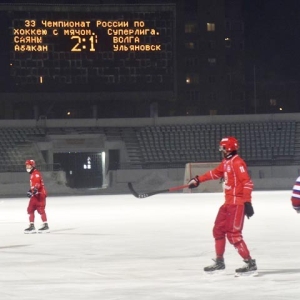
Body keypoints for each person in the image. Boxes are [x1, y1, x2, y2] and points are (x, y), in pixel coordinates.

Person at [188, 136, 257, 276]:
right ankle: (219, 261)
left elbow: (247, 183)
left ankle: (250, 263)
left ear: (229, 148)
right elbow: (214, 173)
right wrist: (198, 180)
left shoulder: (238, 163)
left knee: (234, 235)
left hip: (237, 204)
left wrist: (247, 202)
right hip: (227, 203)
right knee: (218, 230)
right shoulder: (226, 162)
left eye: (223, 148)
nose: (221, 150)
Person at [24, 159, 50, 234]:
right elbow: (35, 185)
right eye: (26, 166)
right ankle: (32, 225)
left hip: (39, 194)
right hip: (35, 194)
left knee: (40, 209)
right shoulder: (33, 174)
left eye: (28, 165)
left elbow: (38, 184)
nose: (27, 167)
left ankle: (45, 225)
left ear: (32, 166)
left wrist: (35, 190)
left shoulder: (36, 174)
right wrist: (31, 190)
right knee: (30, 209)